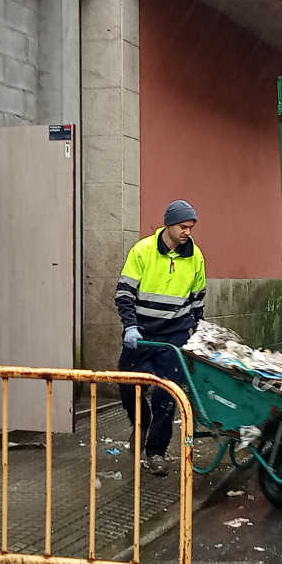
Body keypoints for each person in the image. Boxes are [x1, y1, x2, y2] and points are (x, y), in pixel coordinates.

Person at [114, 200, 206, 476]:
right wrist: (130, 326)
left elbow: (197, 299)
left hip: (173, 337)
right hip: (141, 335)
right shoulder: (142, 251)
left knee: (166, 397)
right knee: (129, 387)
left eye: (190, 227)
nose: (187, 232)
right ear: (168, 224)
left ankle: (156, 453)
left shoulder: (195, 257)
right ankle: (139, 426)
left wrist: (198, 330)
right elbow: (124, 294)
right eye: (182, 226)